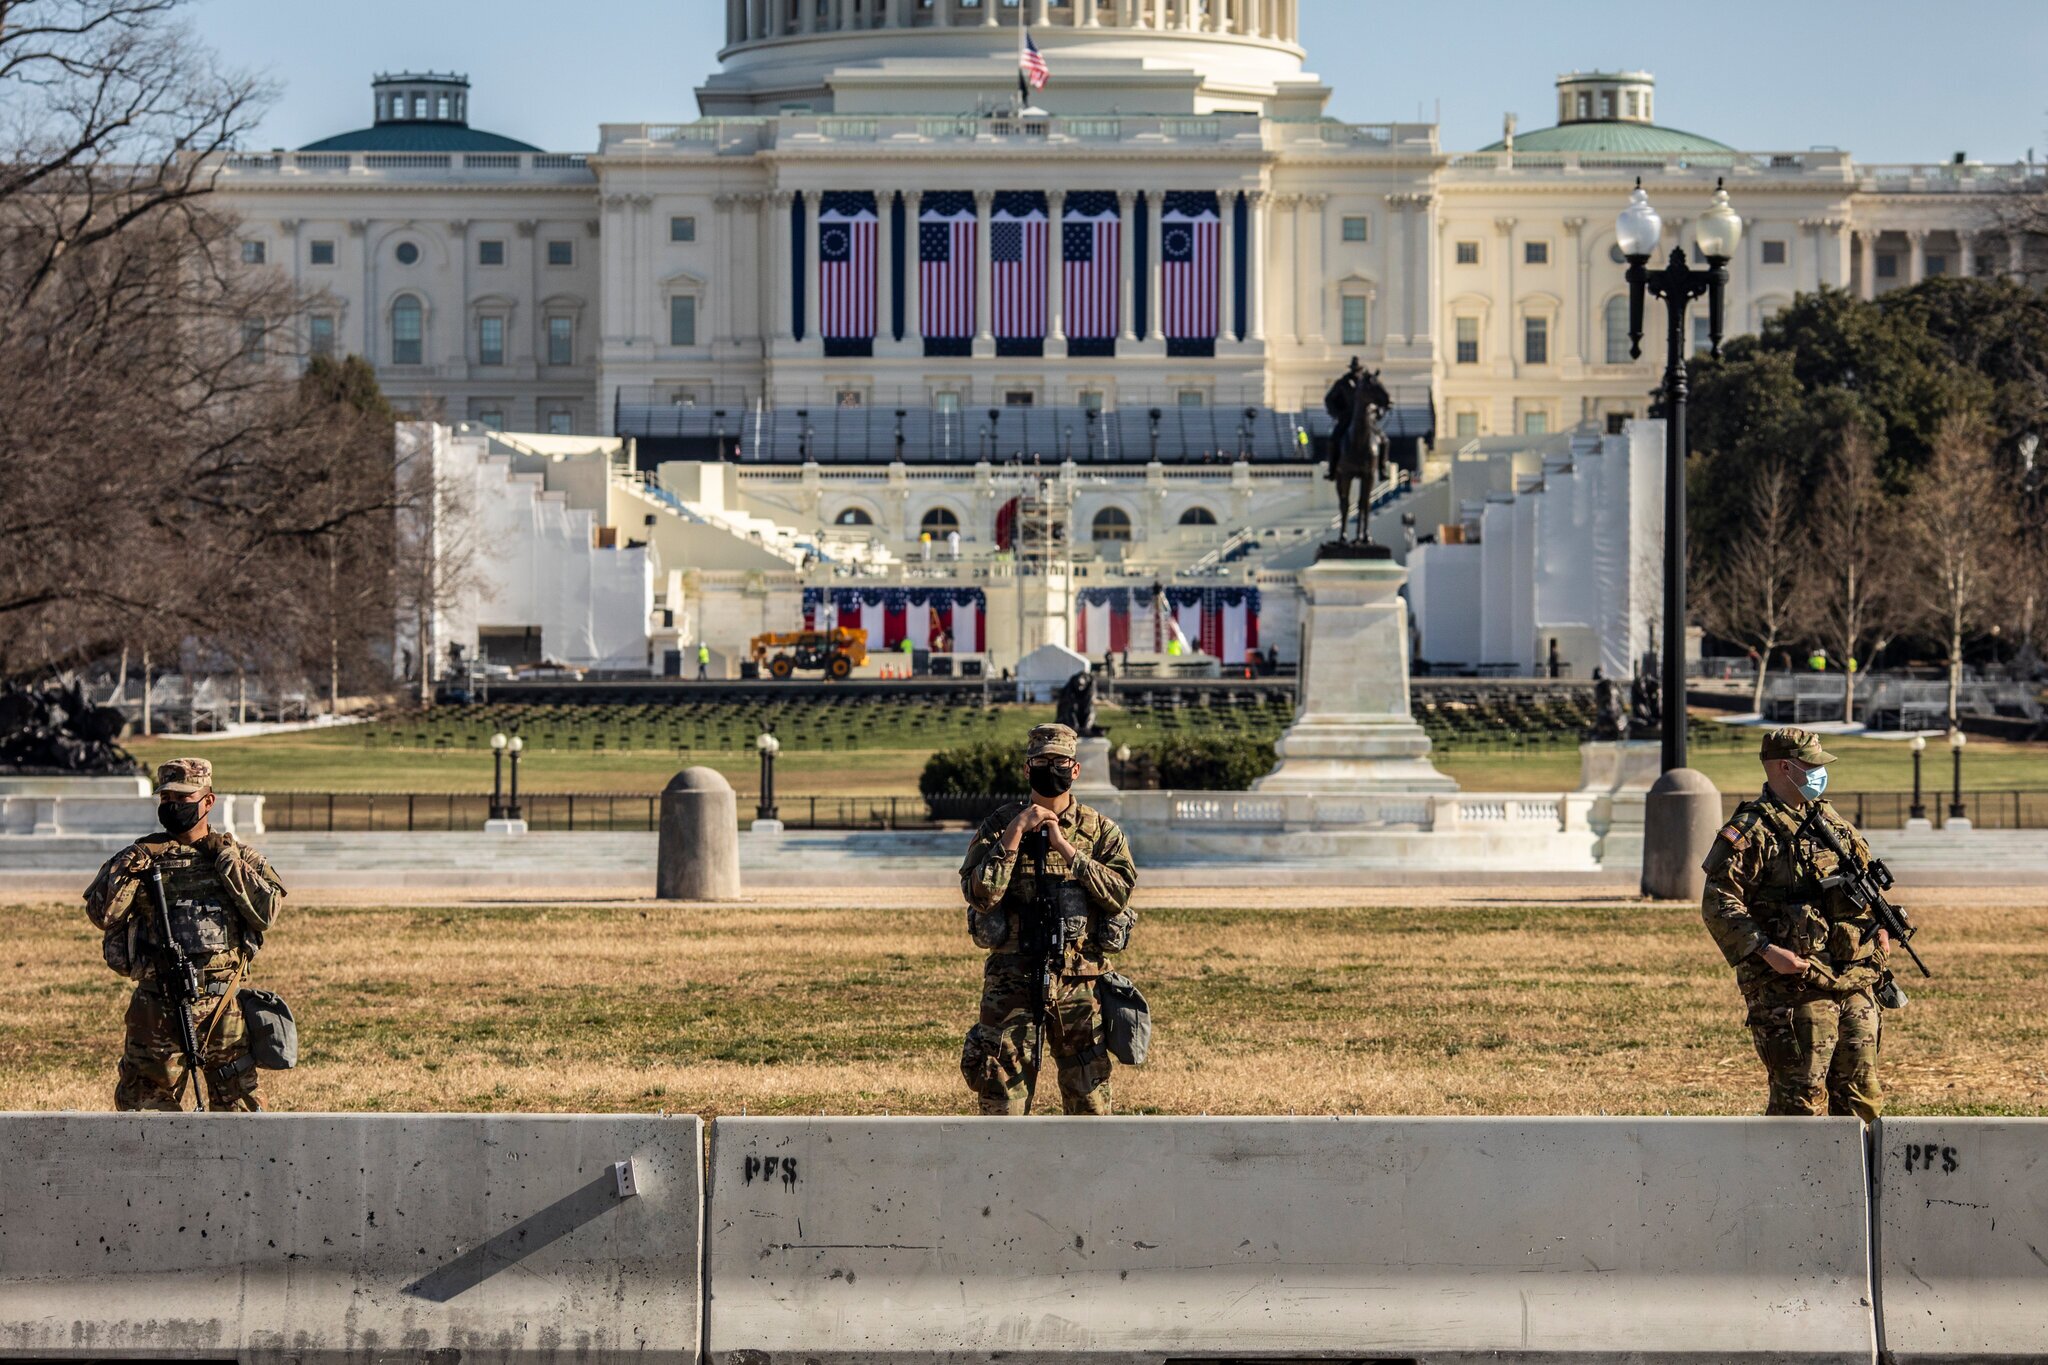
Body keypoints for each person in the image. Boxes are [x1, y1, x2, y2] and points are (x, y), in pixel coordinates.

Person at [1701, 728, 1893, 1121]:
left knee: (1862, 1097)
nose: (1821, 774)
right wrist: (1769, 953)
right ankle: (1793, 1183)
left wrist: (1882, 926)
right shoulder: (1751, 831)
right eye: (1813, 766)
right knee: (1801, 1103)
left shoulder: (1830, 821)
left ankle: (1854, 1183)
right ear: (1785, 768)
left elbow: (1863, 880)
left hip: (1852, 977)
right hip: (1793, 986)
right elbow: (1719, 904)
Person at [83, 758, 287, 1111]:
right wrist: (132, 864)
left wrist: (225, 860)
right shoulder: (142, 859)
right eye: (166, 799)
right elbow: (103, 915)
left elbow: (266, 912)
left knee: (240, 1111)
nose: (173, 806)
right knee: (145, 1111)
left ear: (208, 801)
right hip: (158, 1005)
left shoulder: (237, 857)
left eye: (183, 798)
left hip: (223, 1008)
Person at [958, 723, 1137, 1115]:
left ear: (1075, 769)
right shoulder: (999, 826)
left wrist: (1067, 849)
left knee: (1089, 1103)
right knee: (1001, 1103)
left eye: (1059, 762)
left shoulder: (1100, 831)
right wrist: (1016, 832)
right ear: (1027, 769)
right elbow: (979, 894)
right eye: (1042, 761)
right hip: (1011, 981)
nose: (1050, 769)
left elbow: (1120, 891)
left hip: (1080, 984)